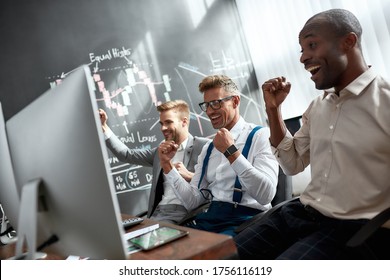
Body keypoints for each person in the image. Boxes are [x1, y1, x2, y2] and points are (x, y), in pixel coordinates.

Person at [234, 9, 390, 259]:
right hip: (299, 212)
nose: (303, 58)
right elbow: (292, 163)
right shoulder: (317, 107)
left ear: (348, 42)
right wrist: (273, 110)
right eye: (301, 50)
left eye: (312, 45)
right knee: (217, 259)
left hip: (351, 228)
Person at [158, 75, 279, 236]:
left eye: (216, 103)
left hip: (247, 222)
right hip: (210, 219)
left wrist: (231, 152)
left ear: (235, 101)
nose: (209, 111)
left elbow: (266, 195)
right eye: (206, 105)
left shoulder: (261, 135)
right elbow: (193, 201)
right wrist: (167, 166)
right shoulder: (208, 148)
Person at [99, 100, 209, 224]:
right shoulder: (159, 152)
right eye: (161, 123)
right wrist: (104, 127)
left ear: (184, 121)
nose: (163, 128)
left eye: (168, 122)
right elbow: (126, 155)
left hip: (186, 215)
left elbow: (219, 183)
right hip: (157, 213)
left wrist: (190, 176)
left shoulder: (204, 146)